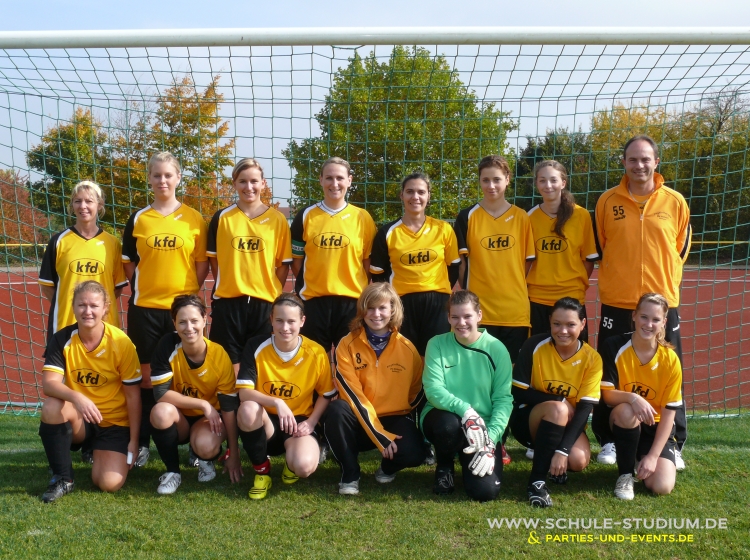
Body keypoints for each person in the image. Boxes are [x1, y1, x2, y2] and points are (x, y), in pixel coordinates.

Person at [593, 135, 691, 469]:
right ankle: (609, 440)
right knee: (611, 372)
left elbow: (680, 249)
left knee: (669, 371)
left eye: (645, 159)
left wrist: (660, 291)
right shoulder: (606, 202)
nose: (639, 165)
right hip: (618, 302)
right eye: (633, 159)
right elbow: (604, 247)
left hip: (661, 303)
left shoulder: (675, 201)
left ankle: (673, 444)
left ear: (656, 162)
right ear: (624, 162)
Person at [122, 152, 209, 467]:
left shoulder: (194, 218)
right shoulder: (139, 218)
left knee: (189, 376)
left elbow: (201, 264)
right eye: (156, 175)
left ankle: (197, 446)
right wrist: (149, 289)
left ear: (178, 178)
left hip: (181, 313)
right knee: (146, 380)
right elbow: (130, 264)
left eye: (168, 175)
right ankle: (142, 443)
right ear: (149, 178)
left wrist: (185, 297)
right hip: (145, 310)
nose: (162, 181)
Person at [454, 154, 535, 465]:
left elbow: (527, 263)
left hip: (514, 311)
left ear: (507, 181)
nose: (491, 185)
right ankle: (480, 437)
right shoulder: (467, 216)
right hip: (478, 313)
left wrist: (509, 286)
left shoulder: (522, 217)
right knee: (478, 380)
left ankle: (499, 439)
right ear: (479, 181)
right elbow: (463, 266)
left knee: (505, 383)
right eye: (485, 179)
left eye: (496, 179)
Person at [38, 280, 141, 503]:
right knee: (52, 406)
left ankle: (100, 453)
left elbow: (133, 396)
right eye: (81, 305)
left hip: (113, 424)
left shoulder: (121, 343)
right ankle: (63, 478)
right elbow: (49, 384)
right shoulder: (62, 339)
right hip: (82, 420)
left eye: (94, 305)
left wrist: (134, 441)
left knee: (109, 483)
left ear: (105, 308)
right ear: (73, 307)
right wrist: (78, 397)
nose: (87, 311)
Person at [324, 282, 426, 495]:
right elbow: (352, 394)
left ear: (393, 310)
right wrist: (379, 434)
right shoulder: (347, 345)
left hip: (392, 417)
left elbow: (417, 390)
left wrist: (403, 414)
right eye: (370, 308)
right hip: (358, 419)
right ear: (362, 310)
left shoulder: (408, 348)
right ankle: (350, 473)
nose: (376, 314)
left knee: (414, 453)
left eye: (382, 308)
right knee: (336, 411)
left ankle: (387, 467)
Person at [235, 294, 337, 499]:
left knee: (304, 466)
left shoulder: (316, 352)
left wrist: (311, 421)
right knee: (247, 409)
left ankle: (292, 462)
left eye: (291, 321)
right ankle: (262, 472)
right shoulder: (256, 346)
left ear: (302, 321)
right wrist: (276, 402)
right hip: (266, 422)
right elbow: (244, 392)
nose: (285, 327)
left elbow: (326, 394)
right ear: (271, 319)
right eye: (279, 320)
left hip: (298, 424)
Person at [509, 297, 602, 507]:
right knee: (559, 409)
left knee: (577, 460)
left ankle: (552, 455)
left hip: (566, 423)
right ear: (550, 322)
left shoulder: (592, 359)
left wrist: (563, 451)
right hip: (528, 420)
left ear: (583, 324)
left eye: (571, 324)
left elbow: (585, 408)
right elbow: (518, 392)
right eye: (557, 324)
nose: (563, 331)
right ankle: (537, 482)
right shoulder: (534, 345)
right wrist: (558, 399)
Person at [421, 290, 513, 502]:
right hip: (446, 417)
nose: (461, 323)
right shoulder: (436, 344)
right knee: (447, 425)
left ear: (479, 315)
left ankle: (470, 454)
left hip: (483, 428)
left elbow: (503, 400)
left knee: (485, 492)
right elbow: (434, 390)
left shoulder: (497, 349)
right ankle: (445, 467)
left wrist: (490, 439)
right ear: (448, 318)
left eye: (467, 316)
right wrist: (467, 412)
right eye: (455, 317)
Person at [149, 295, 241, 495]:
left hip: (209, 422)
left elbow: (228, 408)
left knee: (205, 446)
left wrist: (233, 453)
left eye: (194, 321)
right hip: (180, 419)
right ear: (174, 323)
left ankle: (205, 458)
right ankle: (173, 472)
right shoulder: (167, 345)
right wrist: (204, 405)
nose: (188, 327)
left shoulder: (219, 355)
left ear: (205, 319)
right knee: (160, 412)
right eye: (182, 322)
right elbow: (160, 393)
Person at [207, 158, 292, 374]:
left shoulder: (277, 220)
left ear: (263, 183)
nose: (249, 187)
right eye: (243, 181)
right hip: (228, 304)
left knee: (260, 369)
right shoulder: (222, 218)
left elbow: (283, 265)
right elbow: (214, 260)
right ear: (234, 183)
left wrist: (271, 289)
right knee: (226, 369)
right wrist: (227, 282)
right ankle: (229, 409)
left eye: (254, 181)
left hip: (264, 305)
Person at [597, 293, 682, 500]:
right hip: (622, 419)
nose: (648, 324)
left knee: (662, 486)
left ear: (664, 322)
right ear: (634, 316)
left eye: (655, 320)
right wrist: (634, 398)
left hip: (655, 426)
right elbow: (607, 396)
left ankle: (641, 456)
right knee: (627, 410)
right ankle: (625, 475)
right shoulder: (614, 346)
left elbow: (670, 413)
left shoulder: (671, 360)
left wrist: (653, 457)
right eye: (644, 317)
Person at [290, 157, 377, 352]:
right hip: (313, 303)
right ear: (320, 180)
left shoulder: (362, 217)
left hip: (351, 304)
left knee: (349, 364)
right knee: (312, 361)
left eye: (340, 178)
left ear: (349, 181)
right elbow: (297, 263)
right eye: (329, 178)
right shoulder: (305, 216)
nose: (334, 183)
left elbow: (367, 262)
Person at [370, 172, 460, 356]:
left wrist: (435, 290)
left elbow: (454, 267)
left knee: (435, 357)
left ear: (428, 196)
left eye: (421, 192)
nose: (415, 197)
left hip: (438, 303)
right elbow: (378, 274)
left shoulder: (443, 229)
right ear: (401, 195)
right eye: (410, 191)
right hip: (402, 304)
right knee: (405, 359)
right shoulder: (387, 232)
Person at [39, 180, 128, 341]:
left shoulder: (113, 244)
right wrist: (72, 307)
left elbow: (116, 288)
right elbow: (47, 286)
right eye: (77, 201)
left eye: (89, 201)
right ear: (72, 205)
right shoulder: (58, 241)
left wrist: (96, 310)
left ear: (99, 205)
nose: (83, 206)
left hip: (105, 326)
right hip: (65, 326)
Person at [527, 161, 598, 341]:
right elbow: (526, 260)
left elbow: (588, 259)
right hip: (538, 298)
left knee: (576, 357)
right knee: (540, 357)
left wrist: (573, 283)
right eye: (542, 180)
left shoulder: (581, 215)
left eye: (553, 180)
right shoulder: (529, 218)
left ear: (563, 183)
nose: (548, 185)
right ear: (536, 184)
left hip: (571, 298)